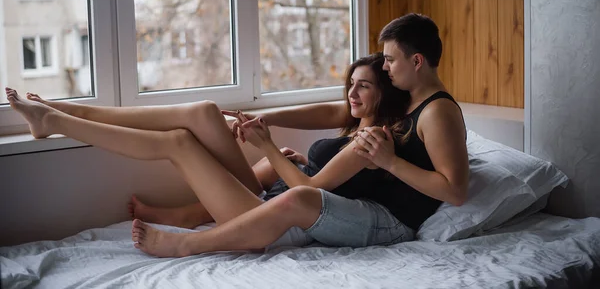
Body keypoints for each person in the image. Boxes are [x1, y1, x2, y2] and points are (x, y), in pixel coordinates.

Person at [5, 52, 415, 256]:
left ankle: (55, 122)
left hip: (279, 225)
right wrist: (261, 124)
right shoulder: (352, 116)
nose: (352, 93)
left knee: (179, 142)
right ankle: (69, 109)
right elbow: (324, 117)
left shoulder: (372, 140)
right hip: (270, 200)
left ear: (386, 91)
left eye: (363, 86)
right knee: (203, 113)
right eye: (351, 84)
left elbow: (308, 192)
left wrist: (270, 149)